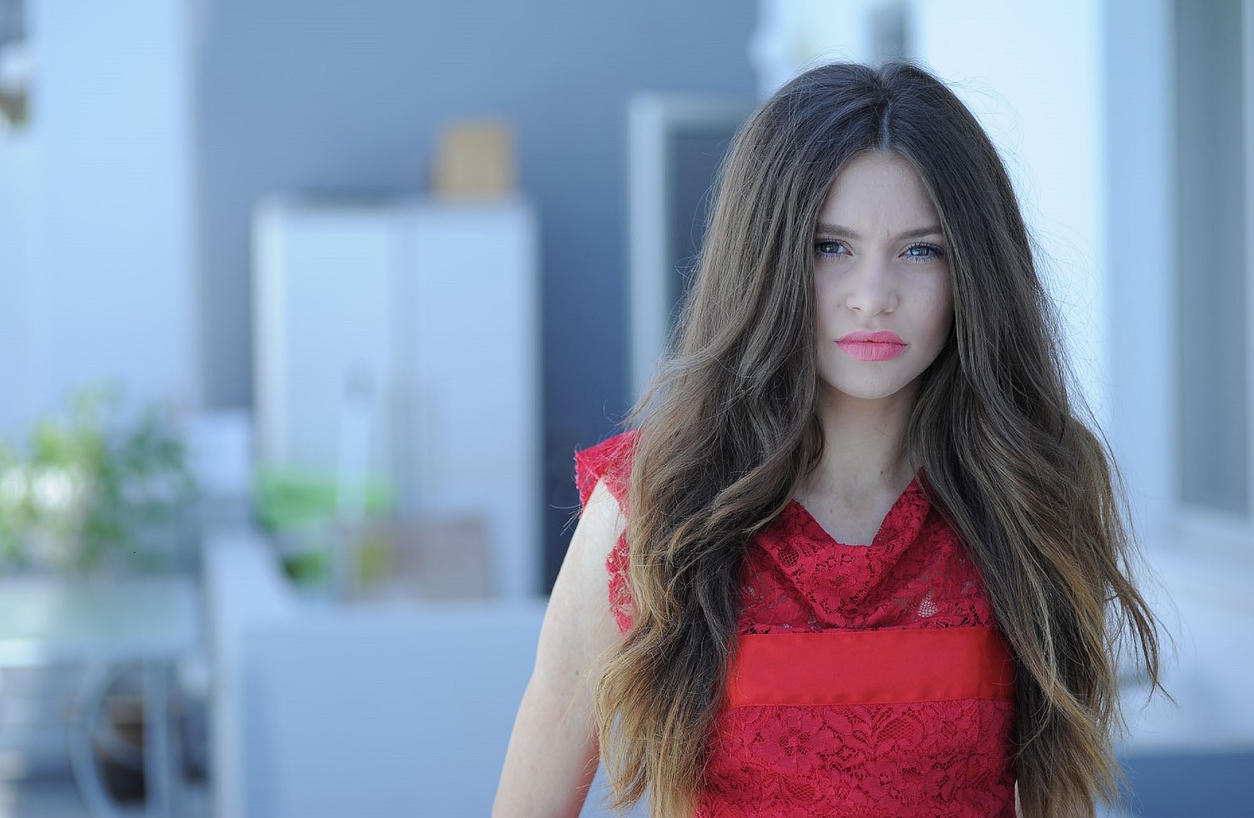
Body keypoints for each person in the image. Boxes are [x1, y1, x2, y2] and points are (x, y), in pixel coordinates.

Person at [493, 61, 1162, 817]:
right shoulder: (649, 507)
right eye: (830, 247)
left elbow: (1058, 792)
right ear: (766, 256)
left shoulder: (1034, 486)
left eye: (921, 250)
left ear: (973, 272)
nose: (873, 297)